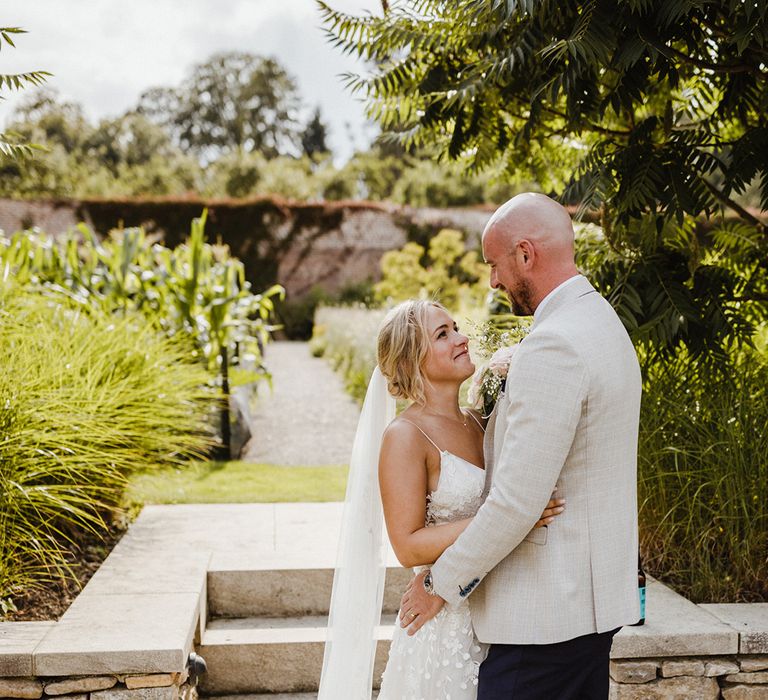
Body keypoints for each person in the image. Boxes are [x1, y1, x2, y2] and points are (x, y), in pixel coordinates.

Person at [399, 193, 643, 699]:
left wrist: (436, 585)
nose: (493, 280)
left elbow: (516, 503)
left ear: (525, 255)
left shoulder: (553, 346)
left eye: (495, 264)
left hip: (546, 618)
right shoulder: (598, 321)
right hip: (586, 608)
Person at [317, 299, 565, 699]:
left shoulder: (478, 420)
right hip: (441, 627)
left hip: (498, 615)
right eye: (443, 334)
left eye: (455, 327)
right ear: (412, 359)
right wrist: (508, 516)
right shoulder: (405, 436)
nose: (462, 338)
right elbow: (407, 545)